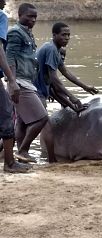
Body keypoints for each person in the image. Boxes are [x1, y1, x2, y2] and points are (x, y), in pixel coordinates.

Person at [6, 3, 48, 163]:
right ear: (20, 15)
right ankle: (23, 150)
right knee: (42, 118)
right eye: (29, 16)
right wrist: (12, 82)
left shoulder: (28, 33)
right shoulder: (16, 32)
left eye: (35, 17)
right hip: (20, 82)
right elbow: (10, 57)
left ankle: (19, 156)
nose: (33, 20)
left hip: (27, 81)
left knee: (23, 122)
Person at [35, 22, 98, 111]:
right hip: (35, 92)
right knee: (43, 121)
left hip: (38, 90)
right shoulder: (51, 49)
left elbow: (66, 72)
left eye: (68, 35)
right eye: (64, 35)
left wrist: (85, 87)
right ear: (54, 35)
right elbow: (54, 79)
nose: (67, 38)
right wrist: (72, 97)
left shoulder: (56, 50)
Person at [0, 0, 30, 173]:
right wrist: (11, 80)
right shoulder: (1, 16)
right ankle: (10, 163)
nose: (5, 2)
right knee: (6, 116)